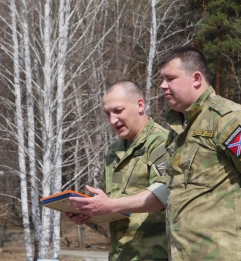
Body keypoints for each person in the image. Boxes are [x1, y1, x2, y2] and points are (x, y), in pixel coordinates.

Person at [158, 46, 241, 260]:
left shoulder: (227, 119)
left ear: (196, 79)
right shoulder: (180, 129)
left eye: (170, 78)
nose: (163, 86)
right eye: (162, 79)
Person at [65, 80, 170, 261]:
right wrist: (89, 212)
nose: (112, 120)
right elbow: (115, 204)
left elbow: (164, 195)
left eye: (118, 111)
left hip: (154, 255)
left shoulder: (162, 143)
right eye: (107, 114)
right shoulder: (115, 150)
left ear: (140, 105)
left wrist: (110, 205)